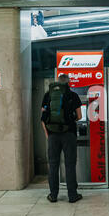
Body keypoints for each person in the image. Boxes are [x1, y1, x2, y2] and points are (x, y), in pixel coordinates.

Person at [41, 73, 83, 203]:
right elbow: (80, 116)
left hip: (53, 135)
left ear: (57, 82)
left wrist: (47, 134)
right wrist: (70, 121)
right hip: (69, 134)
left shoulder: (48, 95)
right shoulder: (73, 95)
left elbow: (42, 118)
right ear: (68, 83)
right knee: (70, 165)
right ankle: (72, 195)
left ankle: (53, 195)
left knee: (53, 165)